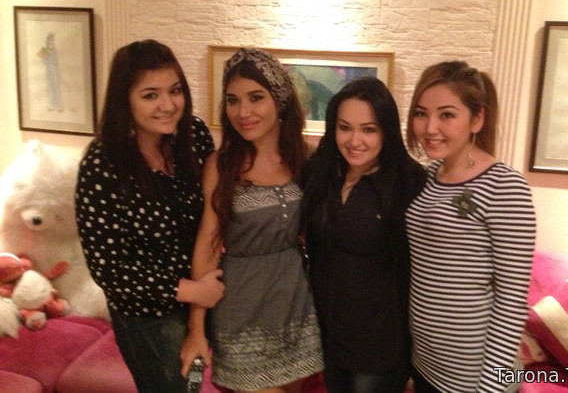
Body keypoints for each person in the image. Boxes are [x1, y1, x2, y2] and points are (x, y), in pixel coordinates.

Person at [75, 39, 225, 393]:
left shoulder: (194, 136)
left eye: (175, 90)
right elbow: (108, 268)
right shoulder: (103, 163)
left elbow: (211, 218)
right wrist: (193, 292)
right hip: (147, 313)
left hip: (202, 294)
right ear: (124, 101)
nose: (168, 105)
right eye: (150, 95)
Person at [180, 47, 324, 392]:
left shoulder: (306, 157)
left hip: (298, 308)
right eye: (233, 100)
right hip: (242, 310)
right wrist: (196, 330)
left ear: (280, 101)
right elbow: (208, 246)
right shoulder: (221, 165)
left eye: (255, 98)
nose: (242, 112)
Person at [405, 61, 536, 392]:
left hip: (474, 376)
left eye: (447, 115)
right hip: (426, 363)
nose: (430, 127)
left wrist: (491, 386)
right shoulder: (427, 177)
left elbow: (511, 300)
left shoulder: (505, 186)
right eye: (421, 113)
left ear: (477, 119)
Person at [300, 77, 427, 393]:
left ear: (386, 131)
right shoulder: (321, 173)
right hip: (329, 338)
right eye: (345, 128)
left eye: (368, 129)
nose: (354, 140)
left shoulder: (409, 183)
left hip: (379, 345)